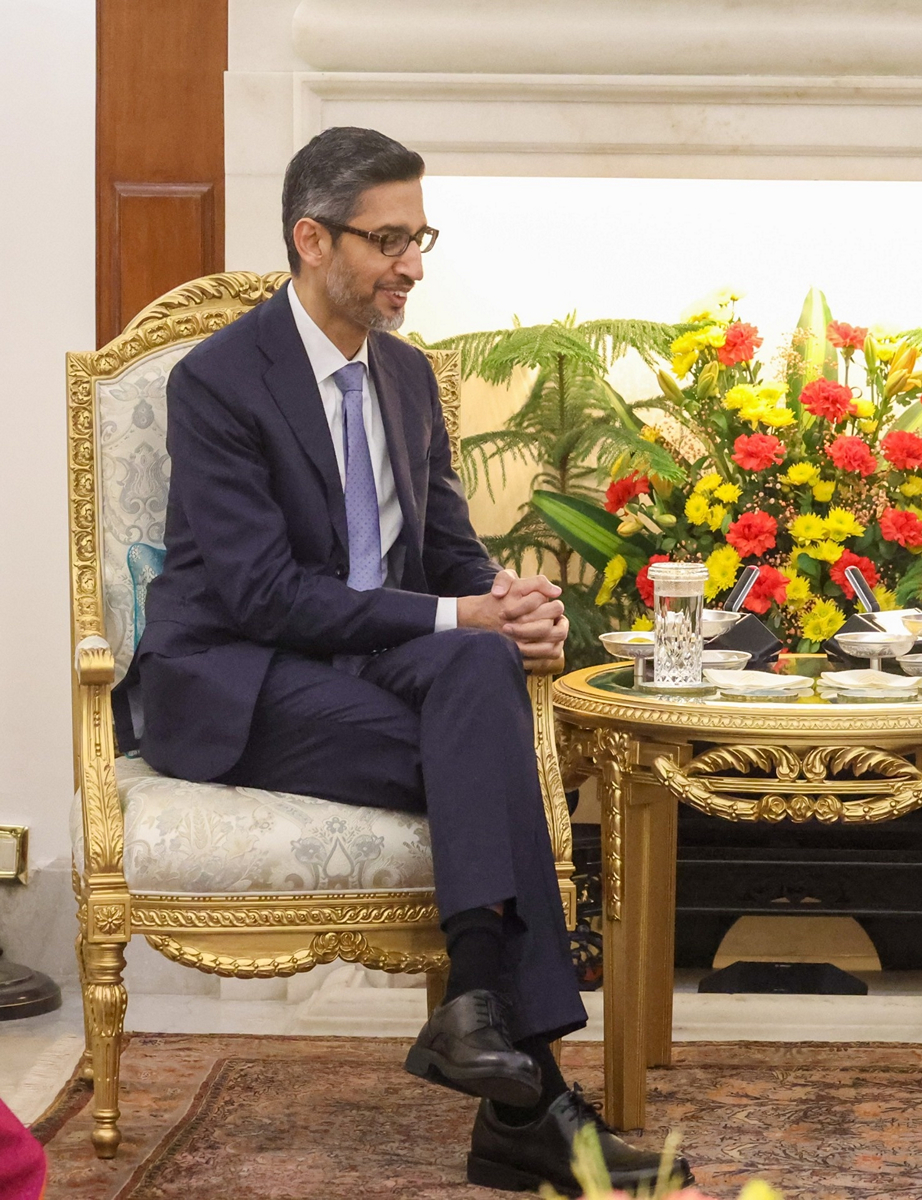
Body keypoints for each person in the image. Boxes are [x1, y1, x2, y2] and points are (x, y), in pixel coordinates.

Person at [116, 126, 690, 1196]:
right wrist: (458, 618)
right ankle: (529, 1106)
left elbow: (450, 553)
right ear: (311, 240)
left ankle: (477, 1016)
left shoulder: (412, 378)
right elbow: (261, 594)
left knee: (479, 680)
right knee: (488, 750)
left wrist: (511, 606)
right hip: (244, 675)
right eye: (389, 242)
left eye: (420, 238)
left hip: (373, 669)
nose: (413, 267)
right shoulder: (220, 381)